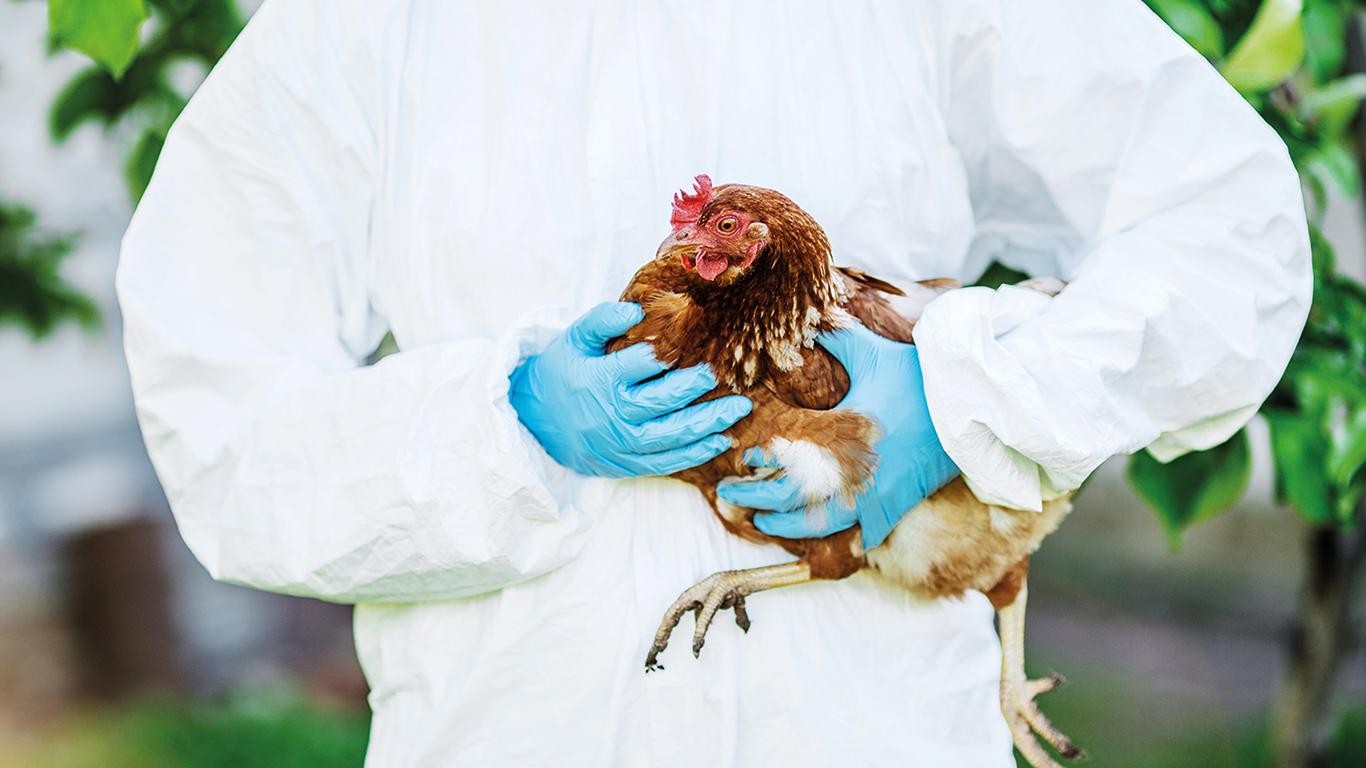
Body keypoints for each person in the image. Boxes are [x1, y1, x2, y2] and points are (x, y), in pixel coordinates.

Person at [116, 0, 1310, 765]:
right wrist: (503, 431)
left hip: (869, 731)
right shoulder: (359, 29)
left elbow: (1229, 232)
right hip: (519, 730)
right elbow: (223, 430)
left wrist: (962, 404)